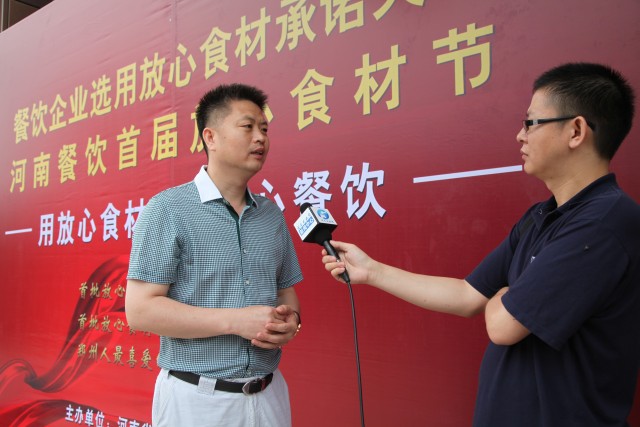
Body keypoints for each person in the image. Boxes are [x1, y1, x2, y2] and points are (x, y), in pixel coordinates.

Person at [322, 63, 640, 426]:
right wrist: (372, 271)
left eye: (531, 123)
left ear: (576, 131)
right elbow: (468, 295)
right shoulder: (539, 217)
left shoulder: (604, 223)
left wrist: (504, 298)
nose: (520, 136)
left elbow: (503, 326)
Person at [126, 83, 303, 427]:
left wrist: (290, 322)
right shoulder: (168, 209)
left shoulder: (271, 215)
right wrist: (235, 321)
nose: (260, 138)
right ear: (211, 137)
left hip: (269, 395)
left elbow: (286, 293)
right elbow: (140, 310)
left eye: (264, 129)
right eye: (247, 126)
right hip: (197, 400)